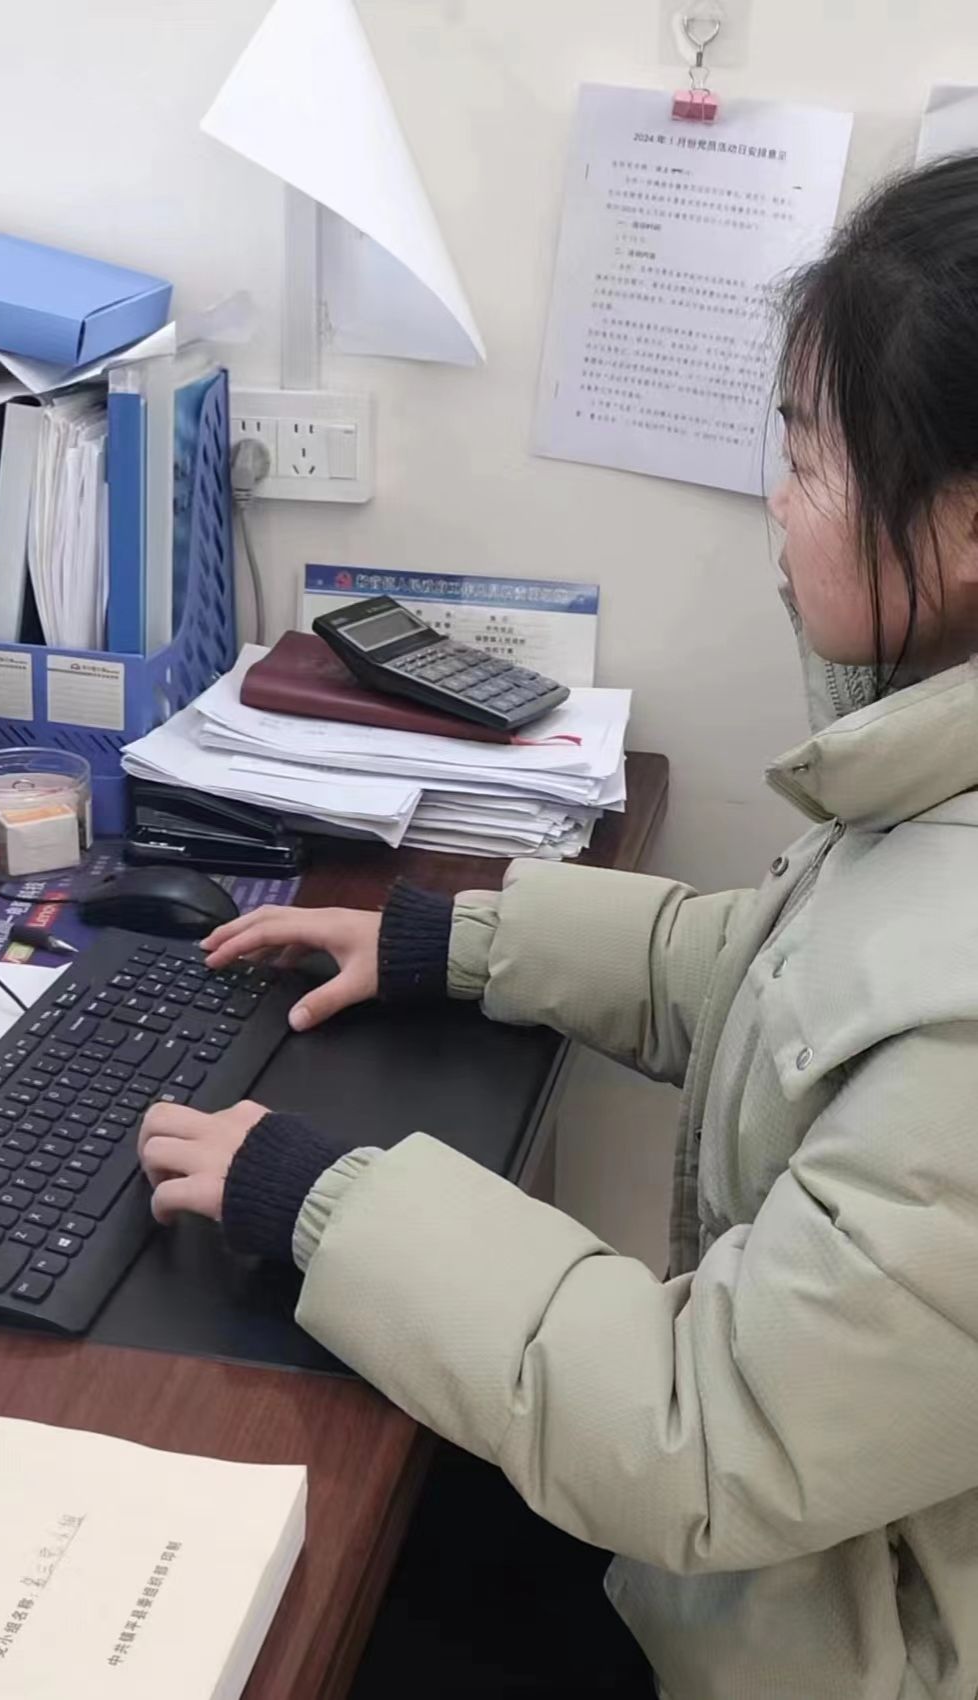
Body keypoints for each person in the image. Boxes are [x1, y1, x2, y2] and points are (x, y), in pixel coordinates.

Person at [139, 153, 978, 1699]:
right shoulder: (939, 793)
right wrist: (446, 944)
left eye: (805, 457)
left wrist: (318, 1197)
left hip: (854, 1642)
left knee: (298, 1573)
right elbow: (790, 978)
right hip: (819, 1553)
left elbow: (708, 1437)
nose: (775, 507)